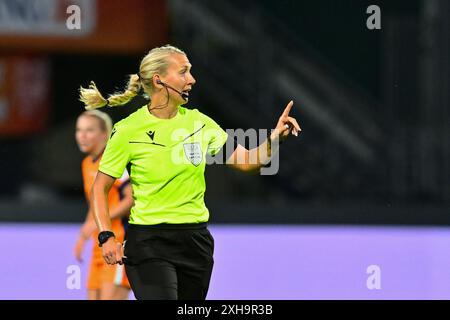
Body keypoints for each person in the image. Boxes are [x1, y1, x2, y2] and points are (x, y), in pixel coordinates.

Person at [79, 44, 301, 300]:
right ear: (159, 80)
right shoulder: (128, 130)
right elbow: (100, 187)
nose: (192, 79)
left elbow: (248, 162)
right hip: (149, 242)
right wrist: (106, 236)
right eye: (183, 72)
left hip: (195, 243)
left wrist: (275, 138)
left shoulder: (201, 124)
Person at [74, 110, 133, 300]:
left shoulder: (113, 162)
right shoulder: (86, 164)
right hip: (99, 245)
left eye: (89, 130)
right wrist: (84, 235)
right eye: (79, 130)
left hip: (118, 243)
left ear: (104, 134)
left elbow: (131, 199)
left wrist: (100, 222)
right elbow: (95, 203)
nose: (82, 136)